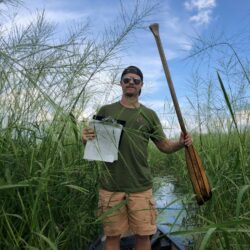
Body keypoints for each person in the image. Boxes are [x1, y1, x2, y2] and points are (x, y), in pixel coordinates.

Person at [82, 66, 192, 250]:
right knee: (112, 237)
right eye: (126, 79)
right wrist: (85, 140)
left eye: (135, 80)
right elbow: (96, 147)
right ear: (121, 84)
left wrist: (181, 143)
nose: (131, 82)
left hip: (140, 186)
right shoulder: (106, 110)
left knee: (143, 236)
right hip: (110, 186)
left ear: (141, 85)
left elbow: (164, 146)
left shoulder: (149, 115)